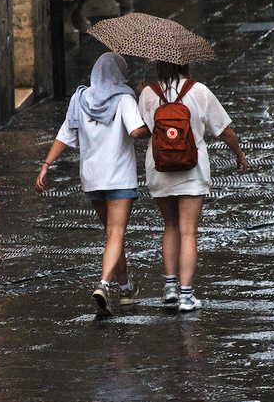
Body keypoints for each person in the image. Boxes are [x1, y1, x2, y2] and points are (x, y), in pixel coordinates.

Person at [35, 52, 149, 316]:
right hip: (119, 177)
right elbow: (136, 131)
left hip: (92, 179)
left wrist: (46, 165)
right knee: (116, 234)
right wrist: (150, 118)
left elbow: (64, 135)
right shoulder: (124, 98)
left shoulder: (80, 98)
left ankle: (126, 289)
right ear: (120, 74)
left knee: (112, 236)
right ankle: (103, 284)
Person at [137, 61, 249, 312]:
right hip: (192, 169)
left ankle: (170, 288)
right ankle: (186, 296)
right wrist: (239, 154)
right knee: (188, 230)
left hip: (159, 167)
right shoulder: (199, 90)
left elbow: (142, 129)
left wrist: (141, 96)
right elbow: (223, 130)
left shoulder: (147, 93)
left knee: (170, 225)